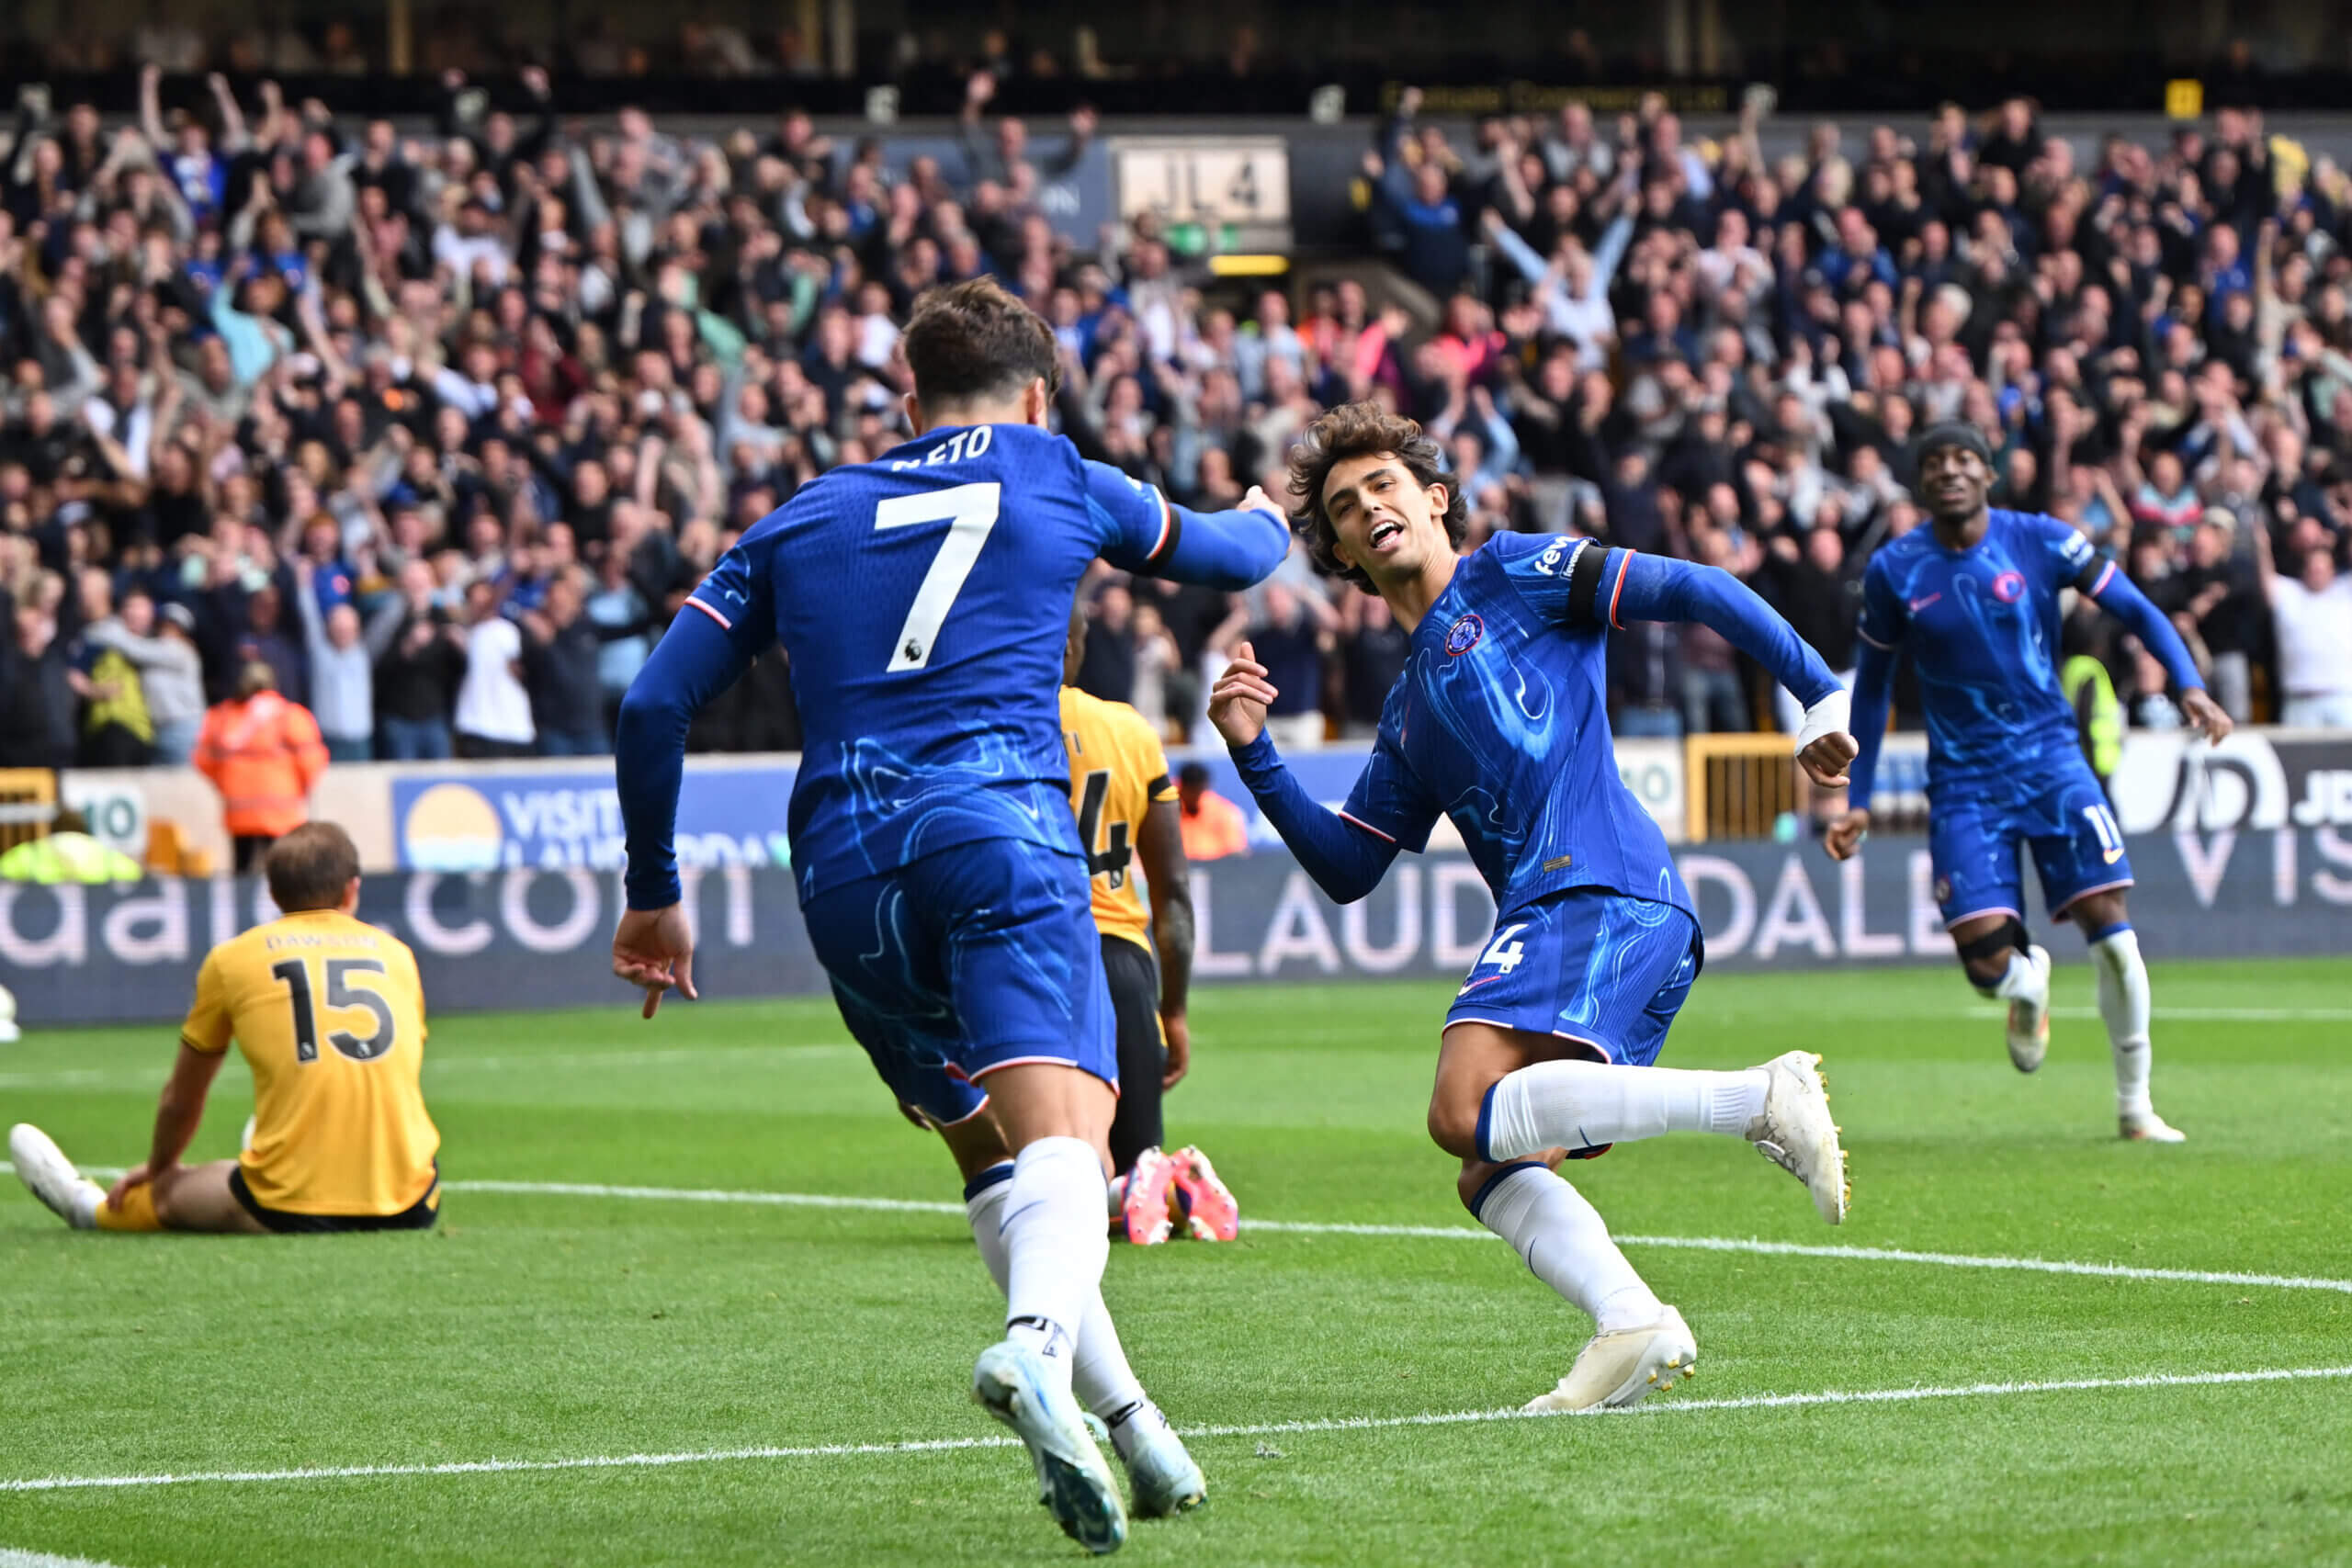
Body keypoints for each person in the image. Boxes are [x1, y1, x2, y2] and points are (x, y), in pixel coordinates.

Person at [610, 277, 1289, 1552]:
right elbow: (1237, 556)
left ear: (909, 401)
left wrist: (654, 891)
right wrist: (1268, 509)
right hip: (995, 834)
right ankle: (1034, 1345)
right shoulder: (1057, 471)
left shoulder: (803, 515)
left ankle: (1135, 1423)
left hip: (842, 867)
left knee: (990, 1157)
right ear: (1038, 398)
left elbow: (652, 705)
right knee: (1070, 1138)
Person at [1207, 404, 1856, 1415]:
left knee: (1458, 1106)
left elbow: (1695, 586)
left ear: (1435, 500)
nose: (1366, 507)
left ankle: (1758, 1099)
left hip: (1597, 885)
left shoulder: (1511, 571)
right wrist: (1254, 752)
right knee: (1487, 1166)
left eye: (1383, 486)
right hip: (1600, 910)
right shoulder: (1407, 705)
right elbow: (1348, 866)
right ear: (1339, 552)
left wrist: (1818, 693)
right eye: (1343, 507)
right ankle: (1630, 1319)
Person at [1826, 424, 2231, 1142]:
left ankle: (2136, 1105)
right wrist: (1856, 800)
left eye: (1964, 460)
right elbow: (1877, 685)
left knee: (2114, 935)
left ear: (1988, 474)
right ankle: (2026, 982)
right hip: (1964, 781)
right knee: (1985, 962)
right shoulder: (1895, 569)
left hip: (2053, 764)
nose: (1950, 471)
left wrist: (2189, 683)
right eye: (1934, 463)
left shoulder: (2041, 539)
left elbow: (2137, 607)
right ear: (1921, 483)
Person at [10, 823, 441, 1235]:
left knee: (171, 1194)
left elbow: (182, 1098)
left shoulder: (233, 959)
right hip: (412, 1202)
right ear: (352, 889)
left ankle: (89, 1209)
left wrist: (159, 1168)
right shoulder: (399, 956)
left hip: (290, 1205)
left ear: (272, 893)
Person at [1057, 604, 1237, 1247]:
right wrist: (1174, 1010)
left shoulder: (992, 727)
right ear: (1076, 646)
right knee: (1136, 1177)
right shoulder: (1129, 730)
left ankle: (1136, 1185)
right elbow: (1174, 895)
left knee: (1030, 1171)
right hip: (1123, 964)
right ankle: (1171, 1182)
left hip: (1036, 951)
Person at [193, 661, 329, 874]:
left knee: (242, 868)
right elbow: (312, 759)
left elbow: (203, 759)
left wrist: (225, 783)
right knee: (282, 870)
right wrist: (302, 788)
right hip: (281, 809)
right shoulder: (289, 714)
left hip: (239, 810)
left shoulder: (222, 715)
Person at [2255, 518, 2352, 728]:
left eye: (2322, 569)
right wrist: (2262, 546)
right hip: (2299, 700)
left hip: (2343, 697)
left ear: (2332, 571)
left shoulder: (2345, 592)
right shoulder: (2289, 593)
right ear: (2304, 570)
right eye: (2312, 568)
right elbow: (2266, 576)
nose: (2317, 572)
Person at [0, 807, 144, 883]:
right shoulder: (105, 855)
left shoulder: (30, 853)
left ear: (52, 830)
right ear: (84, 830)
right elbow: (137, 877)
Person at [1174, 761, 1250, 862]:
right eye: (1191, 790)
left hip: (1217, 866)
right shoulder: (1168, 807)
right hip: (1177, 866)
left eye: (1198, 791)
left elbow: (1238, 851)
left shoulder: (1222, 811)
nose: (1195, 796)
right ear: (1181, 787)